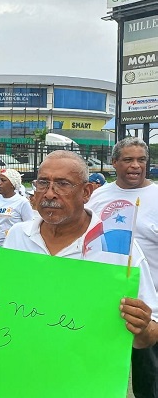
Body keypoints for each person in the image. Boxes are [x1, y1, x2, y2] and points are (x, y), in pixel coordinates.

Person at [0, 150, 158, 376]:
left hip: (85, 380)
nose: (49, 194)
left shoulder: (120, 249)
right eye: (43, 183)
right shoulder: (18, 236)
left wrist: (141, 328)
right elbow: (1, 298)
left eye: (62, 184)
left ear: (86, 192)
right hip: (23, 373)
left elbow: (149, 335)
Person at [87, 137, 158, 398]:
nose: (136, 166)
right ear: (114, 162)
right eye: (128, 159)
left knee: (148, 379)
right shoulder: (98, 196)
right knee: (99, 376)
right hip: (104, 306)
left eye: (141, 160)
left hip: (149, 309)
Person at [0, 168, 34, 247]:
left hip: (13, 247)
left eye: (3, 180)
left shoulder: (22, 202)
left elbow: (29, 227)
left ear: (12, 184)